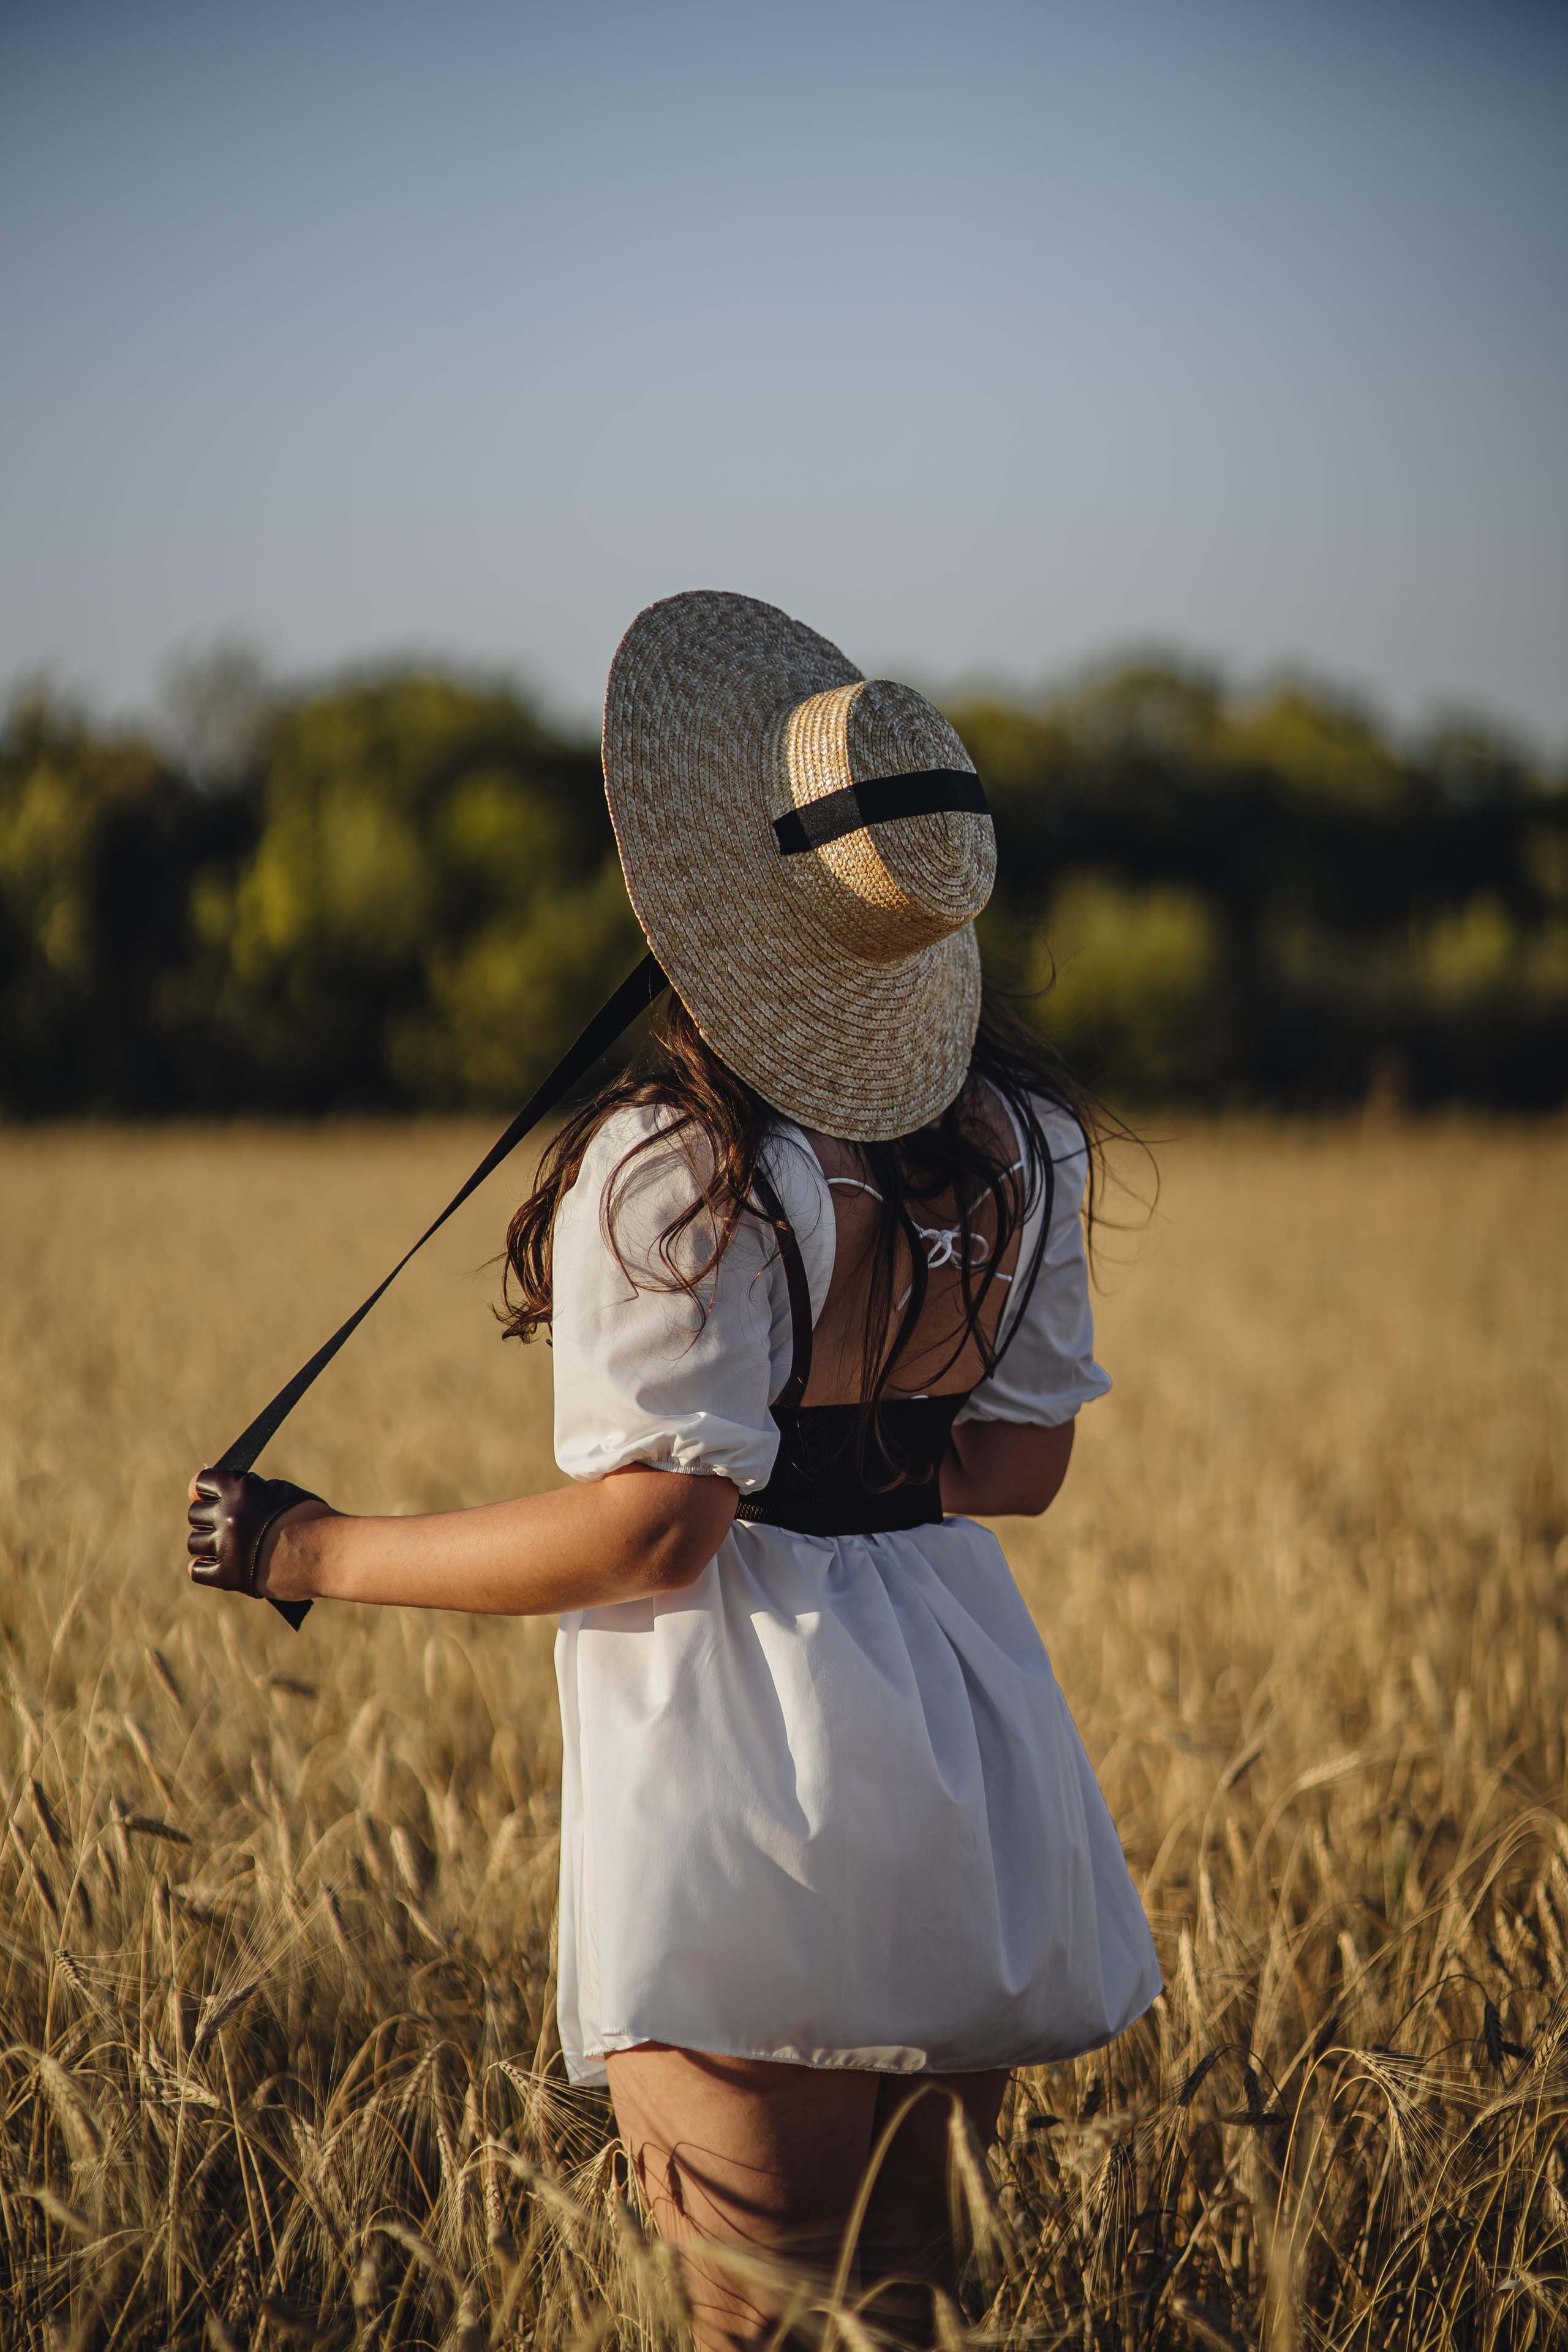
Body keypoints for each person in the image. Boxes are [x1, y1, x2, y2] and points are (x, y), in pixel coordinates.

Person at [188, 592, 1161, 2348]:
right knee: (905, 2318)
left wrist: (308, 1553)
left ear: (699, 890)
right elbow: (1019, 1468)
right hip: (960, 1739)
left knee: (758, 2331)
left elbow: (660, 1534)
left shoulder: (678, 1161)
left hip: (749, 1779)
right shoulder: (1025, 1142)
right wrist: (857, 1485)